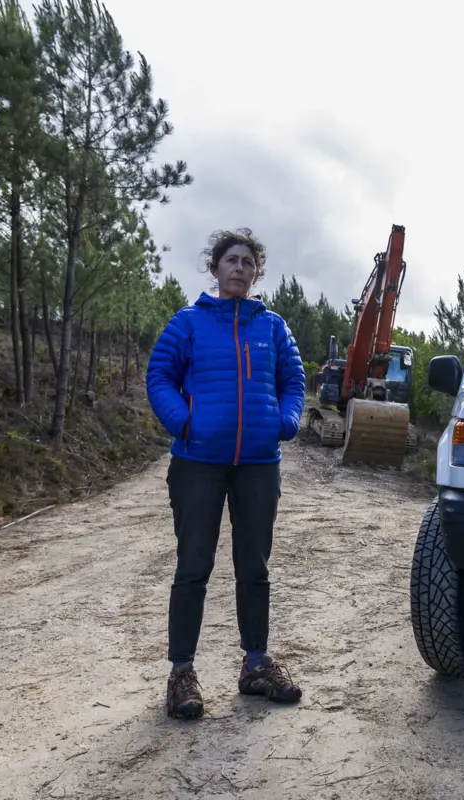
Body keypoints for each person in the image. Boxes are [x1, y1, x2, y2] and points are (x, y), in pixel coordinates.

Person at [146, 227, 307, 719]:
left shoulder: (272, 326)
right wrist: (183, 421)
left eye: (247, 262)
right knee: (193, 568)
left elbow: (293, 380)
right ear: (214, 269)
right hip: (197, 463)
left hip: (258, 465)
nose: (239, 267)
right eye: (230, 260)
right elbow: (160, 376)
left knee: (254, 568)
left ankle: (255, 665)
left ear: (257, 274)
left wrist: (284, 421)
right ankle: (182, 674)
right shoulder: (188, 322)